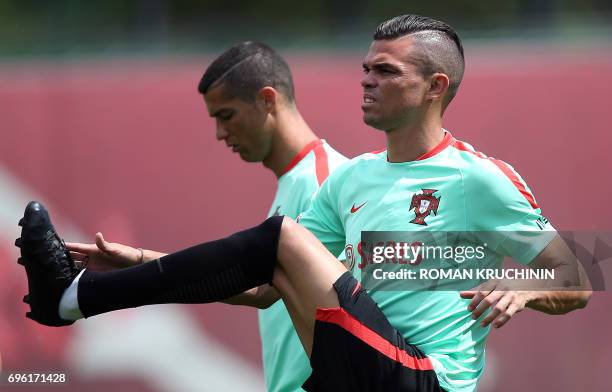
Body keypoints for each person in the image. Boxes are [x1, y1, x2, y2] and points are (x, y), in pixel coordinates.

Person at [17, 15, 591, 392]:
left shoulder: (480, 176)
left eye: (385, 72)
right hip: (361, 370)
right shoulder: (354, 179)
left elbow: (577, 280)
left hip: (426, 379)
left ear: (435, 87)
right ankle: (74, 298)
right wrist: (143, 263)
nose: (366, 80)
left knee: (282, 235)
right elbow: (269, 288)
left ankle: (73, 300)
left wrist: (527, 284)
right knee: (281, 242)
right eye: (365, 68)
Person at [68, 41, 348, 392]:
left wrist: (138, 266)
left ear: (267, 99)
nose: (219, 134)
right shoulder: (297, 182)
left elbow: (260, 290)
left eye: (226, 115)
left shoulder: (325, 182)